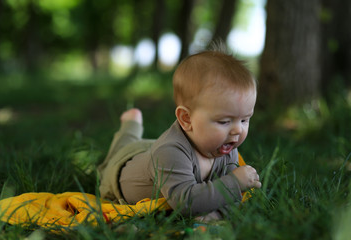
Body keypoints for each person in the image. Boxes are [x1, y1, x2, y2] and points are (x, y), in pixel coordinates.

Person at [97, 46, 262, 220]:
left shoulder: (226, 149)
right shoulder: (169, 152)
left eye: (244, 120)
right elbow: (185, 203)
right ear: (186, 119)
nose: (238, 130)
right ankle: (132, 122)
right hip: (122, 167)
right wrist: (234, 183)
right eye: (224, 121)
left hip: (152, 152)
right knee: (121, 148)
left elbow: (229, 199)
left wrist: (216, 214)